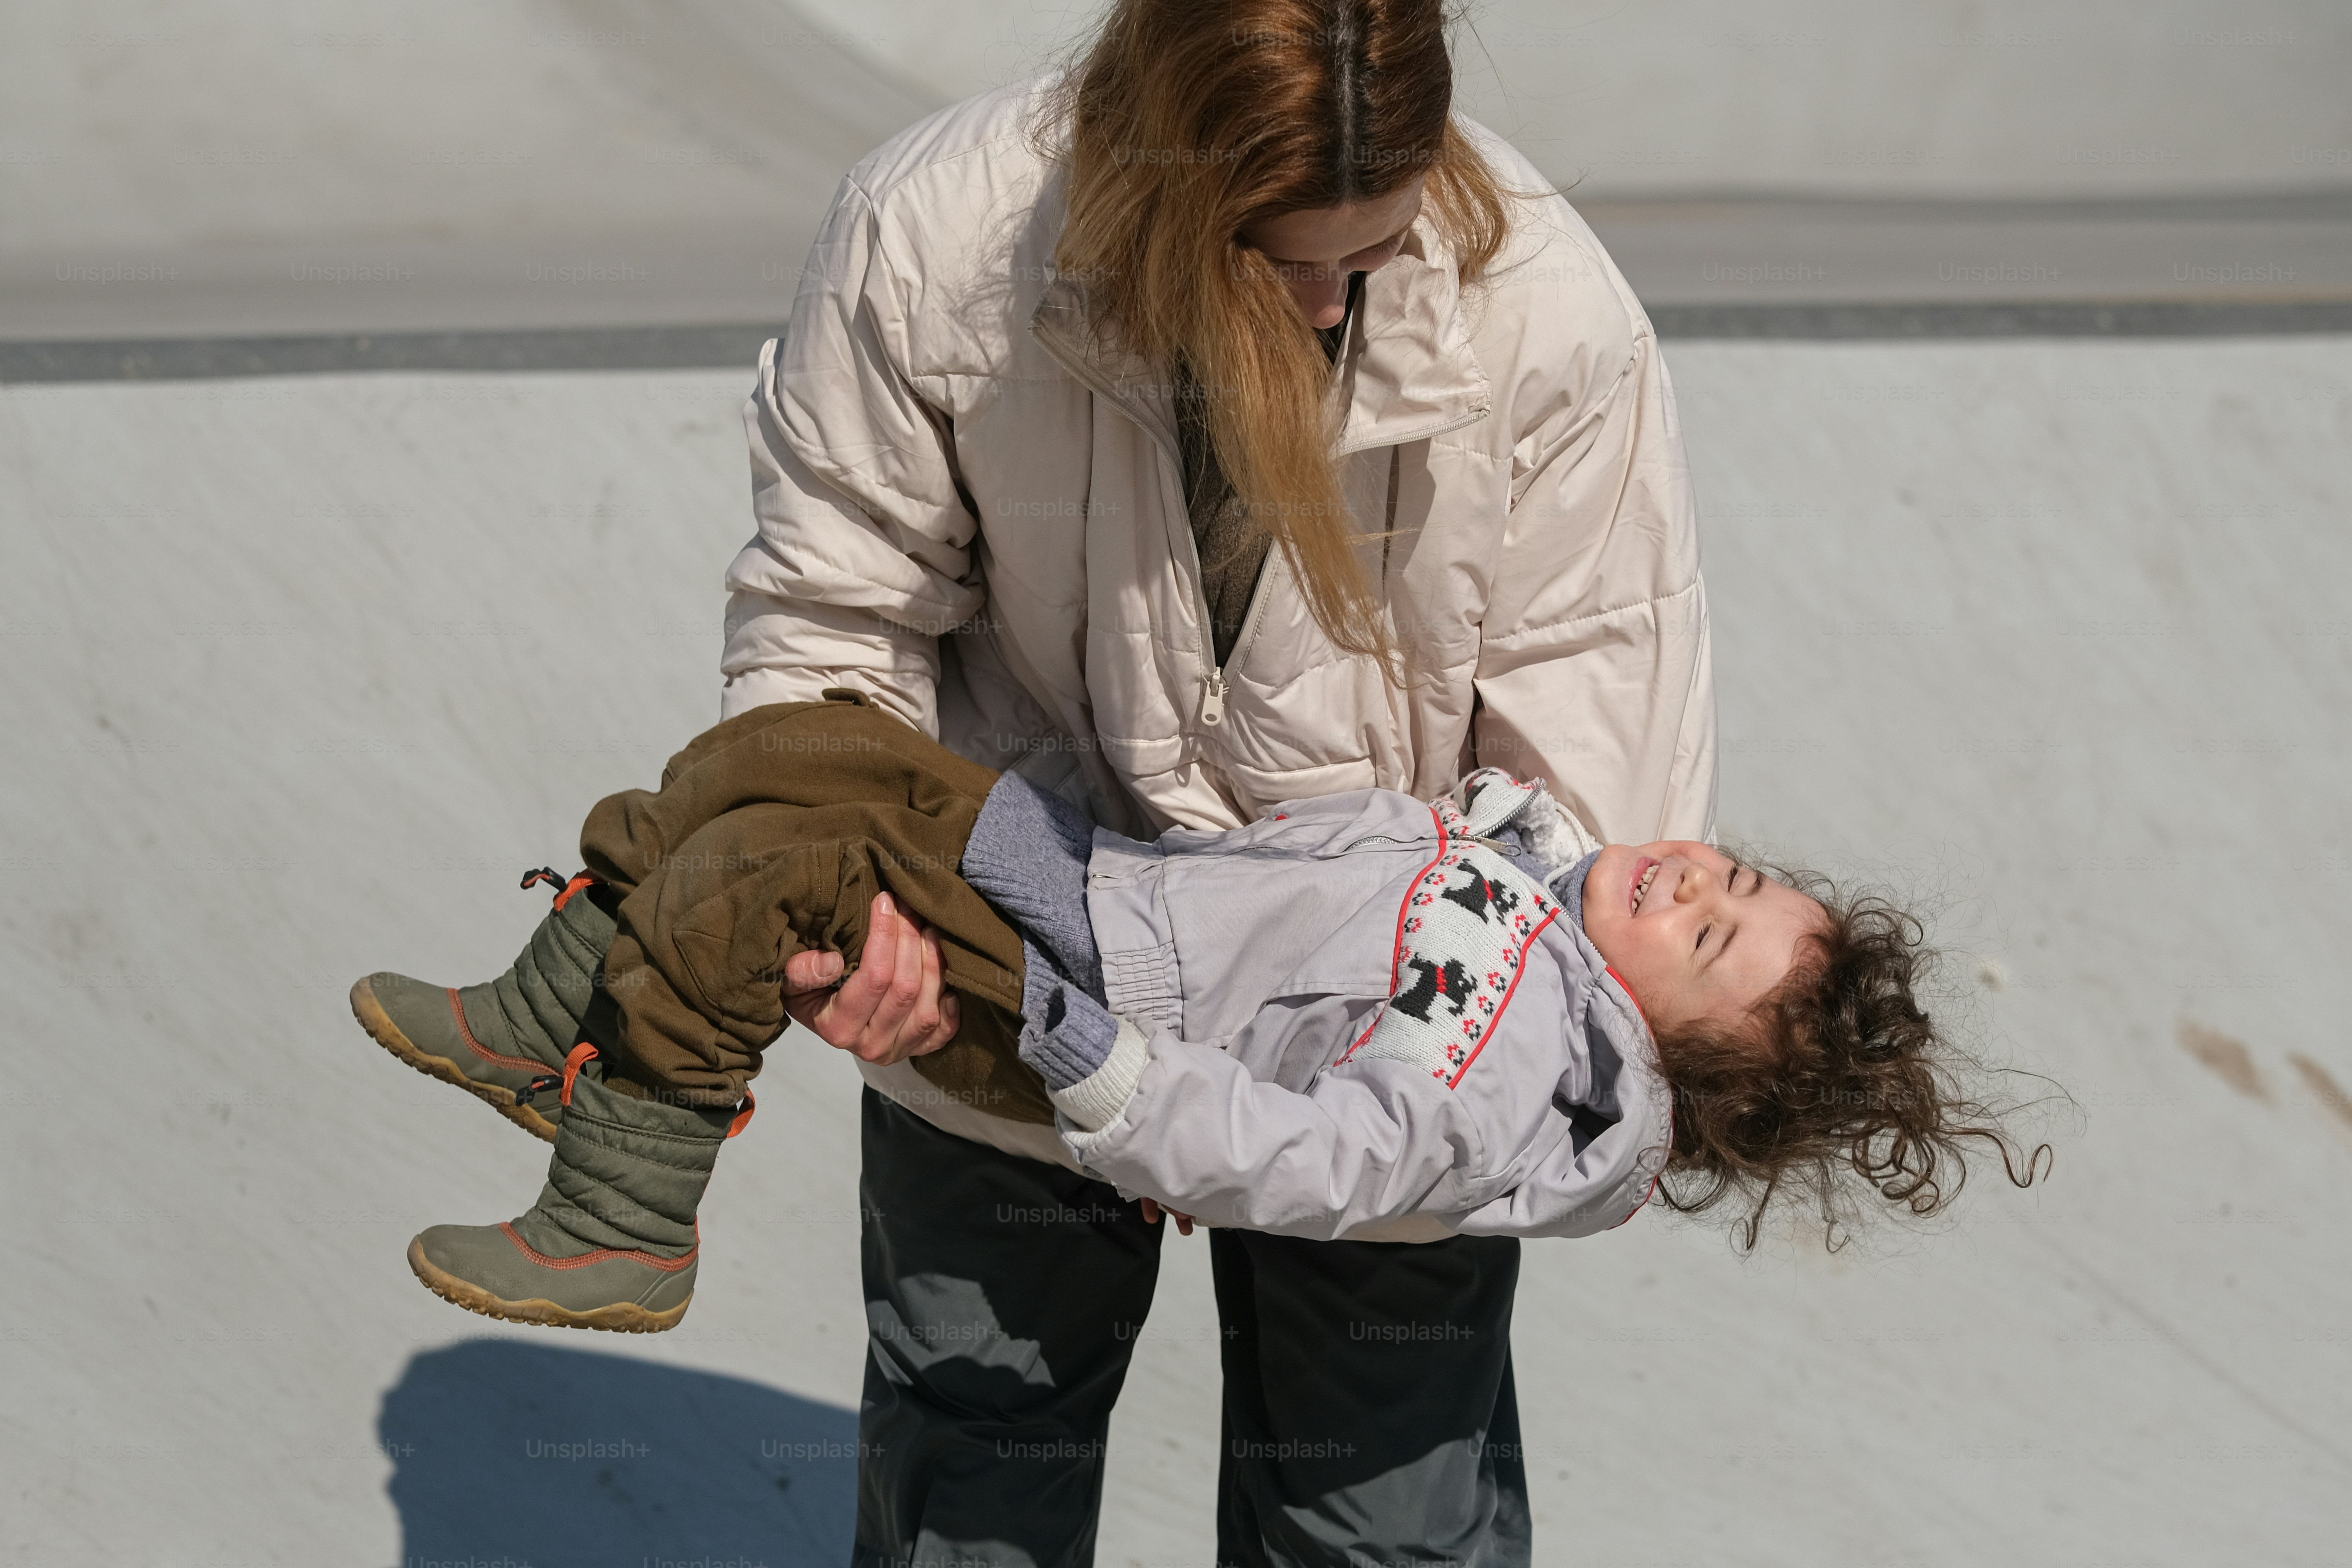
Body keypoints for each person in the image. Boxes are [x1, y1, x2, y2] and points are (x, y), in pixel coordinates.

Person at [393, 0, 1721, 1559]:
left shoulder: (1543, 309)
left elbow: (1591, 728)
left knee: (1378, 1523)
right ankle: (605, 1100)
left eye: (1365, 258)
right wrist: (868, 935)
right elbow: (840, 611)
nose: (1321, 302)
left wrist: (1483, 1067)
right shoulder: (936, 238)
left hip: (1392, 1032)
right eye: (1273, 257)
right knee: (975, 1469)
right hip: (1012, 944)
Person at [357, 697, 2038, 1341]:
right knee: (785, 748)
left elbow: (1326, 1163)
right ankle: (545, 1026)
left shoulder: (1509, 1037)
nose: (1687, 876)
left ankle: (628, 1213)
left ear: (1659, 1040)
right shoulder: (1536, 883)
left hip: (1098, 1000)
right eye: (1732, 874)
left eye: (1709, 933)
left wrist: (1110, 1072)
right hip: (1108, 893)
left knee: (776, 875)